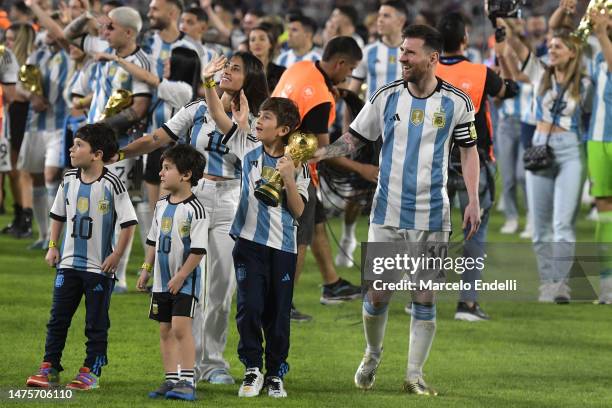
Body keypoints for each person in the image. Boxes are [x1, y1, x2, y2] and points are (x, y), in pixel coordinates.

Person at [314, 24, 481, 395]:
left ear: (432, 58)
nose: (401, 57)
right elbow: (354, 139)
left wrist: (473, 198)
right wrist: (320, 153)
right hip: (387, 211)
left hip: (432, 215)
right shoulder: (385, 96)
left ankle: (414, 375)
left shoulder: (457, 102)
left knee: (425, 296)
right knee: (377, 295)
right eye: (401, 51)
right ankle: (372, 355)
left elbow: (469, 152)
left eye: (409, 52)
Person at [115, 51, 268, 385]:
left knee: (222, 285)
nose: (228, 71)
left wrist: (210, 84)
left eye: (236, 69)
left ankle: (214, 362)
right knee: (190, 283)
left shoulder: (256, 119)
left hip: (230, 200)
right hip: (193, 200)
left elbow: (245, 151)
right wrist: (120, 151)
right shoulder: (197, 108)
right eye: (227, 66)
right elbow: (159, 137)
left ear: (250, 79)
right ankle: (190, 364)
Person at [25, 123, 137, 390]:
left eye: (78, 145)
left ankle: (91, 370)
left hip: (98, 268)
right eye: (73, 144)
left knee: (95, 322)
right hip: (67, 265)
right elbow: (58, 215)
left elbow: (129, 223)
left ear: (97, 154)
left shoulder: (112, 184)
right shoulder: (69, 178)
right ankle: (49, 366)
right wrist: (53, 246)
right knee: (57, 318)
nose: (71, 149)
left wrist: (117, 256)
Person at [212, 91, 307, 398]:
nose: (259, 121)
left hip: (283, 248)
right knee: (249, 307)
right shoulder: (247, 146)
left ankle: (276, 372)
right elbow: (218, 115)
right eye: (259, 115)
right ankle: (252, 368)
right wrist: (208, 83)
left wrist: (289, 179)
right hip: (249, 243)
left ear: (283, 129)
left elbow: (299, 210)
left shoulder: (297, 163)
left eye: (267, 117)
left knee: (278, 314)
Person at [273, 36, 366, 312]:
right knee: (300, 239)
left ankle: (332, 284)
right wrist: (363, 169)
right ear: (340, 63)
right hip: (294, 172)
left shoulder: (301, 68)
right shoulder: (320, 97)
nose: (349, 76)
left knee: (317, 225)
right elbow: (325, 152)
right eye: (349, 70)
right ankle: (283, 304)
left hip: (272, 157)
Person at [435, 12, 518, 320]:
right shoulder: (481, 72)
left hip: (436, 163)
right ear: (465, 39)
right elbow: (510, 91)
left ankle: (420, 297)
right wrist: (502, 64)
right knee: (474, 231)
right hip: (475, 159)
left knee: (432, 230)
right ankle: (467, 304)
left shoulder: (426, 71)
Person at [505, 20, 592, 303]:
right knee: (541, 227)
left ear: (572, 53)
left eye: (558, 46)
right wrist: (504, 22)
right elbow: (517, 47)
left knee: (562, 223)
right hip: (540, 149)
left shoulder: (586, 83)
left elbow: (590, 119)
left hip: (569, 151)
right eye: (550, 45)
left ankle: (561, 285)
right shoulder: (540, 72)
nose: (551, 50)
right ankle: (547, 282)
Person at [338, 0, 407, 268]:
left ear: (401, 20)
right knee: (356, 190)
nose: (379, 20)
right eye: (379, 15)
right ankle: (347, 236)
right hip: (369, 132)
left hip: (403, 132)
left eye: (386, 16)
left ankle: (392, 249)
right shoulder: (369, 52)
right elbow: (352, 95)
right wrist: (347, 130)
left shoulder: (411, 51)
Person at [137, 144, 207, 401]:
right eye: (161, 168)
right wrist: (146, 269)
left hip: (184, 282)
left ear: (186, 174)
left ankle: (187, 381)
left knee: (180, 328)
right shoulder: (161, 204)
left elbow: (198, 250)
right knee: (165, 329)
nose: (161, 174)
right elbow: (154, 241)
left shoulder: (196, 209)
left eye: (167, 168)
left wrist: (181, 276)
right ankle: (171, 379)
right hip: (161, 282)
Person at [16, 20, 70, 251]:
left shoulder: (70, 57)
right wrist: (31, 96)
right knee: (36, 176)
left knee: (50, 175)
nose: (48, 33)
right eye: (46, 29)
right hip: (35, 125)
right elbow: (19, 84)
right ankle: (43, 234)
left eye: (52, 28)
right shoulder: (36, 56)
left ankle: (55, 238)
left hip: (59, 124)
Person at [585, 8, 612, 303]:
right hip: (597, 139)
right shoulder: (597, 56)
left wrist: (602, 32)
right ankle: (607, 284)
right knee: (604, 210)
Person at [1, 23, 35, 238]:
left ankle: (26, 218)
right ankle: (18, 216)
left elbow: (20, 94)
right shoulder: (8, 60)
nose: (8, 43)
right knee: (13, 169)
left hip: (25, 116)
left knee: (22, 170)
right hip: (12, 115)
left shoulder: (31, 62)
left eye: (12, 39)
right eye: (7, 38)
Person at [248, 23, 285, 93]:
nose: (257, 43)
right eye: (253, 40)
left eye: (262, 39)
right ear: (249, 46)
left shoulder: (281, 72)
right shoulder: (243, 71)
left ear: (270, 44)